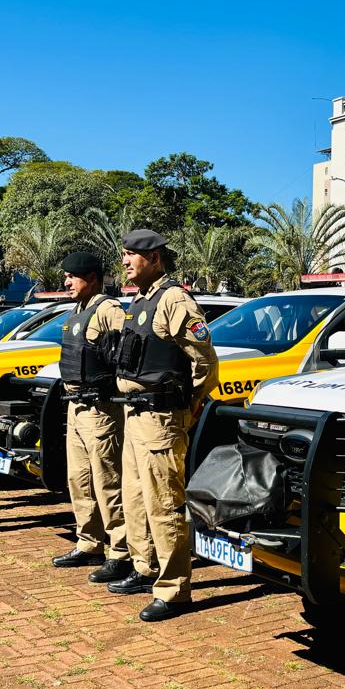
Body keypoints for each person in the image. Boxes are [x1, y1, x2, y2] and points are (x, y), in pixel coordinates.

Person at [111, 229, 218, 622]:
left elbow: (204, 359)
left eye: (130, 255)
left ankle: (174, 589)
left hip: (160, 417)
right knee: (136, 497)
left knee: (163, 504)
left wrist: (186, 405)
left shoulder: (174, 299)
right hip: (135, 414)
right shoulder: (140, 300)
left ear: (154, 258)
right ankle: (145, 568)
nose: (124, 262)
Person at [51, 251, 132, 582]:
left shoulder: (108, 310)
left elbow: (125, 356)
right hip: (76, 406)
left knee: (107, 481)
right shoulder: (77, 311)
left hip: (101, 409)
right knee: (79, 480)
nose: (66, 282)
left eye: (72, 276)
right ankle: (89, 542)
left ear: (93, 278)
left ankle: (121, 550)